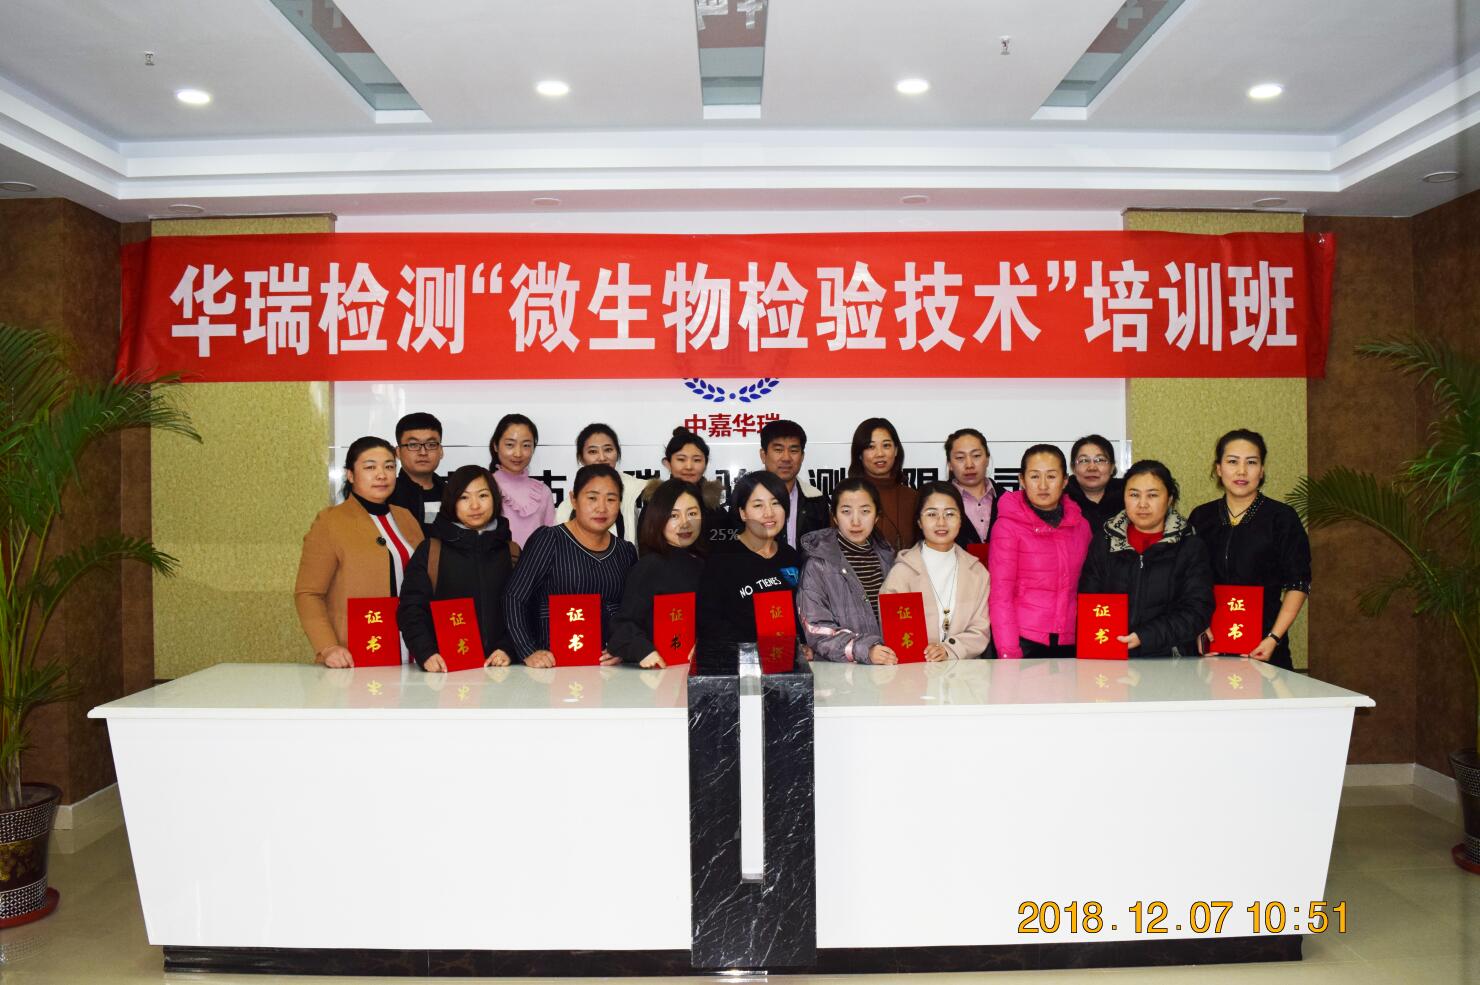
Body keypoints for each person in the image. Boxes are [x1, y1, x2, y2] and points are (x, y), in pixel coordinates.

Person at [295, 436, 425, 667]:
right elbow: (309, 594)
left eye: (389, 467)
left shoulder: (405, 518)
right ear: (350, 475)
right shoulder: (330, 522)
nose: (381, 475)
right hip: (353, 653)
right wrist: (327, 647)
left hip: (413, 651)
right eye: (370, 467)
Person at [1188, 429, 1311, 669]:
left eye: (1251, 462)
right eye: (1232, 461)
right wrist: (1198, 625)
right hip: (1211, 644)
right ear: (1219, 468)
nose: (1242, 471)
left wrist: (1273, 638)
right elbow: (1188, 581)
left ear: (1262, 470)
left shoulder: (1281, 518)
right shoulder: (1201, 517)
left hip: (1265, 646)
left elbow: (1299, 583)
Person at [504, 464, 638, 668]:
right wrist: (527, 650)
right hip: (552, 667)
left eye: (611, 499)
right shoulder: (548, 540)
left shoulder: (625, 551)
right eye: (592, 498)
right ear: (574, 499)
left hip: (608, 669)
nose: (602, 508)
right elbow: (514, 597)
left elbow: (632, 611)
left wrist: (623, 647)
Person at [1078, 460, 1213, 657]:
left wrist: (1144, 637)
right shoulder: (1105, 541)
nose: (1142, 504)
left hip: (1170, 659)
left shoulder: (1189, 546)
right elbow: (1089, 599)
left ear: (1169, 499)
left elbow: (1197, 609)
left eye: (1152, 495)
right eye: (1134, 495)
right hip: (1112, 655)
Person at [398, 465, 517, 671]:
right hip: (444, 670)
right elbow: (411, 609)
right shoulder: (431, 551)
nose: (475, 505)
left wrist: (508, 648)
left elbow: (524, 609)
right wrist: (426, 653)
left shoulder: (511, 552)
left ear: (495, 499)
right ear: (451, 502)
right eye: (464, 497)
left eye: (483, 495)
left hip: (502, 670)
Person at [988, 444, 1093, 659]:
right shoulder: (1007, 526)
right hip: (1024, 640)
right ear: (1022, 480)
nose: (1043, 485)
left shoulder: (1081, 526)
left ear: (1065, 481)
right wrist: (1008, 652)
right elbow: (1000, 596)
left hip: (1071, 639)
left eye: (1051, 476)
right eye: (1035, 476)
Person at [697, 470, 805, 667]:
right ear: (743, 513)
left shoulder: (791, 556)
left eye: (776, 503)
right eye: (758, 505)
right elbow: (709, 623)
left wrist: (802, 645)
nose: (769, 513)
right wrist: (753, 651)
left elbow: (802, 613)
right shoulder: (721, 559)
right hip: (740, 667)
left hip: (789, 663)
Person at [880, 481, 991, 660]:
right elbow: (898, 636)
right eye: (932, 514)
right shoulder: (902, 573)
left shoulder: (978, 573)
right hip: (916, 671)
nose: (941, 522)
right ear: (919, 521)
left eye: (950, 514)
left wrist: (949, 650)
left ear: (961, 520)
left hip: (966, 672)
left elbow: (980, 631)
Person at [798, 477, 898, 663]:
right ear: (835, 517)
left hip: (889, 668)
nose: (855, 521)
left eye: (865, 511)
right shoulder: (818, 565)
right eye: (846, 511)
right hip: (841, 673)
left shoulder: (889, 560)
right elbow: (816, 630)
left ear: (877, 516)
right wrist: (865, 650)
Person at [609, 479, 706, 667]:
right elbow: (622, 625)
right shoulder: (649, 567)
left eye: (692, 514)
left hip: (695, 672)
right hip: (657, 673)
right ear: (658, 518)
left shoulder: (704, 565)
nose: (685, 523)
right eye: (674, 515)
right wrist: (644, 651)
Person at [642, 427, 734, 545]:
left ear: (705, 464)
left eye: (697, 460)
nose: (689, 466)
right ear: (668, 464)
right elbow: (646, 545)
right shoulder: (655, 502)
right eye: (681, 459)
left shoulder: (714, 507)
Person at [554, 422, 643, 545]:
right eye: (593, 451)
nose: (602, 457)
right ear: (581, 458)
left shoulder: (640, 490)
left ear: (617, 453)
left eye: (608, 450)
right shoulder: (566, 508)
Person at [847, 417, 917, 550]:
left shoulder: (913, 498)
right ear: (859, 454)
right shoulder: (846, 497)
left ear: (896, 450)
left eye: (886, 445)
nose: (879, 454)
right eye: (871, 447)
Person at [758, 419, 829, 547]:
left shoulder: (816, 500)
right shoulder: (747, 499)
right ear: (763, 455)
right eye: (778, 450)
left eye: (794, 451)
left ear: (802, 457)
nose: (786, 458)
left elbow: (824, 549)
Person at [489, 413, 555, 550]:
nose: (518, 453)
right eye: (510, 445)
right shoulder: (485, 487)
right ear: (496, 445)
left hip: (537, 563)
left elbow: (552, 540)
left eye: (526, 445)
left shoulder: (543, 492)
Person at [386, 411, 446, 534]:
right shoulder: (386, 495)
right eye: (413, 445)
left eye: (431, 444)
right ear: (398, 452)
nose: (423, 452)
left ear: (441, 451)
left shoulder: (454, 494)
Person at [945, 427, 999, 548]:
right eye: (960, 458)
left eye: (976, 455)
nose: (969, 465)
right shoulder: (937, 500)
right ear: (950, 464)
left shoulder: (1007, 500)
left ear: (987, 459)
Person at [1066, 434, 1125, 534]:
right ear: (1073, 468)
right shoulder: (1060, 499)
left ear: (1112, 467)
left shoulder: (1127, 495)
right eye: (1084, 460)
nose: (1092, 467)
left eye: (1100, 460)